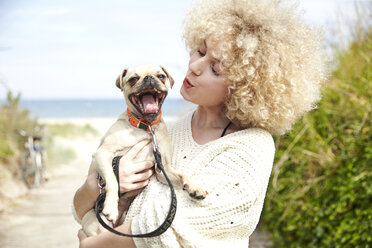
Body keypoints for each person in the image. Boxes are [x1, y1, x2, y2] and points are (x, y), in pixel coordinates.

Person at [73, 0, 326, 247]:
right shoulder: (166, 130)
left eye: (215, 68)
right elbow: (81, 209)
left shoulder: (252, 147)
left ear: (243, 86)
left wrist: (97, 244)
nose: (194, 66)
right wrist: (99, 183)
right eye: (200, 51)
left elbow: (165, 224)